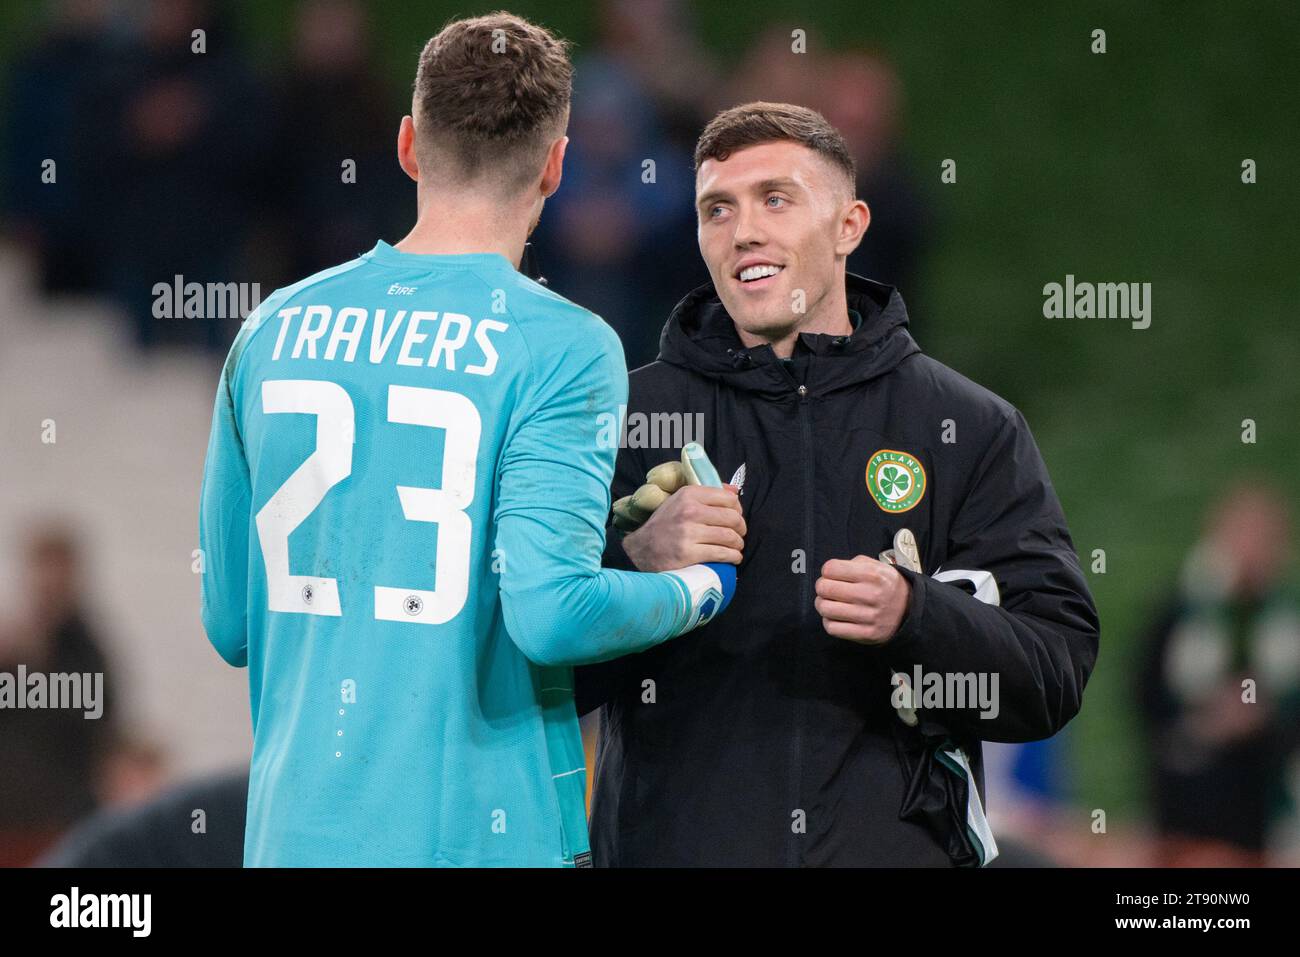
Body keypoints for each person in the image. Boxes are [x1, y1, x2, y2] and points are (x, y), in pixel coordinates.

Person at [198, 12, 737, 867]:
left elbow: (231, 622)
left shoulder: (269, 328)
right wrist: (703, 586)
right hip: (479, 840)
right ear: (556, 165)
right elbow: (550, 611)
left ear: (409, 145)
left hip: (294, 837)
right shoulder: (563, 344)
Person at [578, 102, 1100, 866]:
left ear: (850, 226)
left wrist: (917, 616)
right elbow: (532, 673)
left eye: (775, 200)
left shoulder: (969, 427)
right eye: (717, 209)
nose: (743, 230)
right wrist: (633, 570)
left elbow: (1053, 672)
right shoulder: (626, 416)